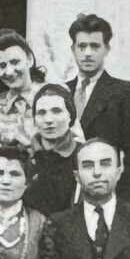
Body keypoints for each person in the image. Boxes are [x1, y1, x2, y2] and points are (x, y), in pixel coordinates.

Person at [66, 13, 130, 203]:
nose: (87, 53)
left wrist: (122, 206)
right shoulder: (61, 92)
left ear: (106, 49)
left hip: (102, 196)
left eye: (95, 46)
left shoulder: (124, 93)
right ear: (73, 49)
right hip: (63, 201)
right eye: (82, 46)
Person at [0, 28, 47, 148]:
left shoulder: (52, 96)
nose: (9, 72)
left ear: (29, 60)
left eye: (15, 62)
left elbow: (76, 142)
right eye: (2, 66)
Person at [27, 83, 82, 215]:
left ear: (70, 116)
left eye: (56, 111)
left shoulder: (83, 156)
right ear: (34, 120)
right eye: (41, 113)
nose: (48, 120)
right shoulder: (24, 155)